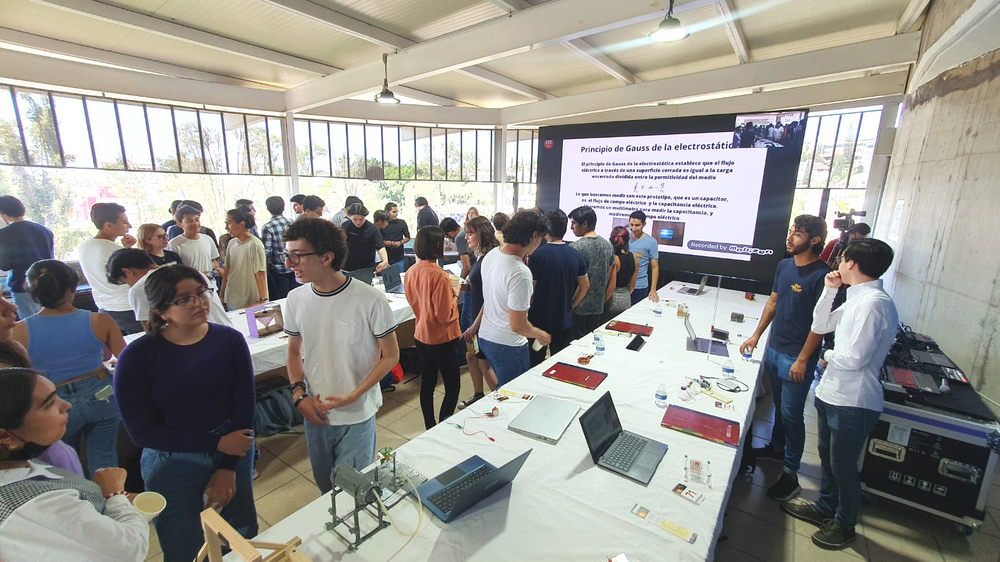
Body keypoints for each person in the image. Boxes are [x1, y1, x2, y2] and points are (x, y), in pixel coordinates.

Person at [115, 266, 257, 562]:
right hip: (173, 459)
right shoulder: (139, 356)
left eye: (201, 292)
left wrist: (228, 464)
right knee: (186, 545)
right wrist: (216, 445)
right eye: (184, 300)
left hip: (233, 446)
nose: (199, 303)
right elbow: (141, 431)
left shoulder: (229, 340)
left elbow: (245, 403)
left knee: (239, 534)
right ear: (161, 311)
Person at [782, 239, 899, 551]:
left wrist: (829, 355)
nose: (837, 263)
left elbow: (855, 358)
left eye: (842, 259)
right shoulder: (857, 296)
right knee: (828, 459)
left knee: (844, 467)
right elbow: (820, 324)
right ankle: (824, 507)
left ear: (853, 264)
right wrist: (830, 290)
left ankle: (845, 524)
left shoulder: (874, 302)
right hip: (832, 393)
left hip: (853, 400)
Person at [282, 219, 399, 494]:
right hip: (316, 412)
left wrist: (354, 394)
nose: (290, 263)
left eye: (297, 256)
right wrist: (299, 395)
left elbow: (390, 355)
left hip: (356, 413)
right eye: (287, 255)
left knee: (353, 491)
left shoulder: (369, 299)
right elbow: (293, 350)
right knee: (326, 490)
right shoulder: (295, 299)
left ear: (326, 257)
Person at [0, 368, 149, 561]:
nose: (67, 405)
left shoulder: (18, 462)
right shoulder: (34, 507)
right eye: (50, 404)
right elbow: (130, 549)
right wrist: (115, 495)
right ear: (5, 436)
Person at [739, 215, 831, 502]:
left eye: (798, 234)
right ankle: (777, 450)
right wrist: (756, 336)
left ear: (814, 240)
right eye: (791, 231)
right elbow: (773, 302)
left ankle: (790, 474)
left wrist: (804, 359)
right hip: (775, 348)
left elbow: (821, 323)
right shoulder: (784, 265)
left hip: (797, 356)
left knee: (792, 416)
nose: (790, 238)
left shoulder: (823, 276)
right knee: (779, 405)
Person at [10, 260, 125, 477]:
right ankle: (114, 500)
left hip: (53, 401)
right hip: (102, 394)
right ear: (73, 288)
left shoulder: (18, 331)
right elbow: (124, 359)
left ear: (33, 293)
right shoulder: (100, 320)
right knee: (105, 459)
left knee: (64, 465)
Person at [473, 210, 550, 387]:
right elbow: (518, 325)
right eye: (541, 239)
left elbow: (492, 298)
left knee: (503, 390)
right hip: (508, 343)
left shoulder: (492, 254)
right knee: (515, 395)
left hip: (486, 336)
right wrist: (540, 334)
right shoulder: (520, 272)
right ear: (534, 235)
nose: (540, 243)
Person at [405, 226, 462, 429]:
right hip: (442, 337)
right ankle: (443, 426)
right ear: (436, 245)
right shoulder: (439, 276)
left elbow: (413, 302)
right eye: (443, 242)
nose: (445, 245)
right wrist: (455, 293)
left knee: (428, 383)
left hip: (421, 334)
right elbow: (444, 314)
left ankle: (430, 425)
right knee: (453, 386)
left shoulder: (411, 271)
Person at [106, 249, 232, 330]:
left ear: (127, 272)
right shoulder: (191, 272)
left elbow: (151, 330)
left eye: (125, 282)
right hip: (225, 330)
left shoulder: (139, 289)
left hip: (196, 344)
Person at [526, 209, 589, 367]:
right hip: (563, 320)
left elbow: (530, 290)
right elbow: (585, 285)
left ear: (545, 229)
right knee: (560, 363)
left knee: (535, 363)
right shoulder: (576, 255)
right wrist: (571, 305)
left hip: (538, 321)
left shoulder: (537, 255)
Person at [77, 203, 141, 335]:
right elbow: (136, 278)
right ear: (108, 225)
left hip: (104, 307)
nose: (129, 226)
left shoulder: (84, 246)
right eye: (124, 222)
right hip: (127, 309)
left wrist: (125, 250)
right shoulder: (113, 250)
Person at [457, 217, 500, 409]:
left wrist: (475, 325)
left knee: (483, 362)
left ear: (481, 234)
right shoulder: (480, 256)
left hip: (484, 320)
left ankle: (500, 401)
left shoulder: (490, 257)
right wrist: (468, 286)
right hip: (477, 316)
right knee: (471, 356)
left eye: (470, 233)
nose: (466, 237)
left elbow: (491, 296)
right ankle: (478, 394)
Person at [0, 195, 54, 318]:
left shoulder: (3, 235)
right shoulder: (44, 230)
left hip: (22, 285)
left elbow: (4, 265)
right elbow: (50, 259)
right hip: (47, 284)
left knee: (31, 326)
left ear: (2, 212)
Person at [568, 206, 614, 339]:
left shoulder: (576, 247)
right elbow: (609, 275)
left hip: (577, 307)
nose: (571, 227)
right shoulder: (607, 245)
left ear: (585, 224)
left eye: (574, 223)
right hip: (598, 308)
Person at [221, 208, 268, 310]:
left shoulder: (254, 245)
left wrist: (263, 300)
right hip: (232, 298)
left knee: (251, 326)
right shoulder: (231, 243)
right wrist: (222, 294)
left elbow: (260, 274)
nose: (226, 227)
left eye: (229, 223)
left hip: (250, 302)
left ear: (242, 224)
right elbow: (227, 270)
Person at [167, 204, 224, 281]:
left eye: (197, 219)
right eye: (189, 221)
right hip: (190, 287)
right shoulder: (174, 244)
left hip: (211, 285)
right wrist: (198, 276)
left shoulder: (207, 239)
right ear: (180, 224)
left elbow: (212, 259)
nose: (195, 223)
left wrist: (217, 268)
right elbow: (174, 271)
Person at [261, 196, 295, 300]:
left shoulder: (268, 227)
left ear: (268, 209)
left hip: (278, 269)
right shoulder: (291, 222)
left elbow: (267, 252)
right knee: (294, 296)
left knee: (282, 299)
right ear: (283, 208)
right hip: (294, 265)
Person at [343, 203, 389, 274]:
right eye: (355, 219)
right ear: (349, 216)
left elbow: (380, 247)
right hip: (347, 267)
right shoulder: (345, 226)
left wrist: (385, 260)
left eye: (361, 219)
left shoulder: (372, 229)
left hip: (366, 268)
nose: (358, 222)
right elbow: (338, 245)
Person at [604, 226, 638, 322]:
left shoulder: (615, 259)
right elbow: (632, 286)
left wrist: (603, 302)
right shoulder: (634, 257)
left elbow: (611, 286)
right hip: (626, 300)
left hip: (612, 301)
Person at [627, 210, 660, 304]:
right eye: (631, 225)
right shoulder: (624, 239)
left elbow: (655, 267)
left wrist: (653, 289)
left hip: (640, 287)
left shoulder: (651, 242)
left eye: (637, 225)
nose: (633, 228)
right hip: (623, 287)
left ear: (644, 224)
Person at [380, 202, 411, 270]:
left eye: (397, 212)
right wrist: (384, 242)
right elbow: (377, 239)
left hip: (399, 257)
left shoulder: (401, 222)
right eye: (393, 212)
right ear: (387, 212)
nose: (396, 214)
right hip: (385, 258)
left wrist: (400, 242)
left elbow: (408, 237)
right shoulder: (382, 223)